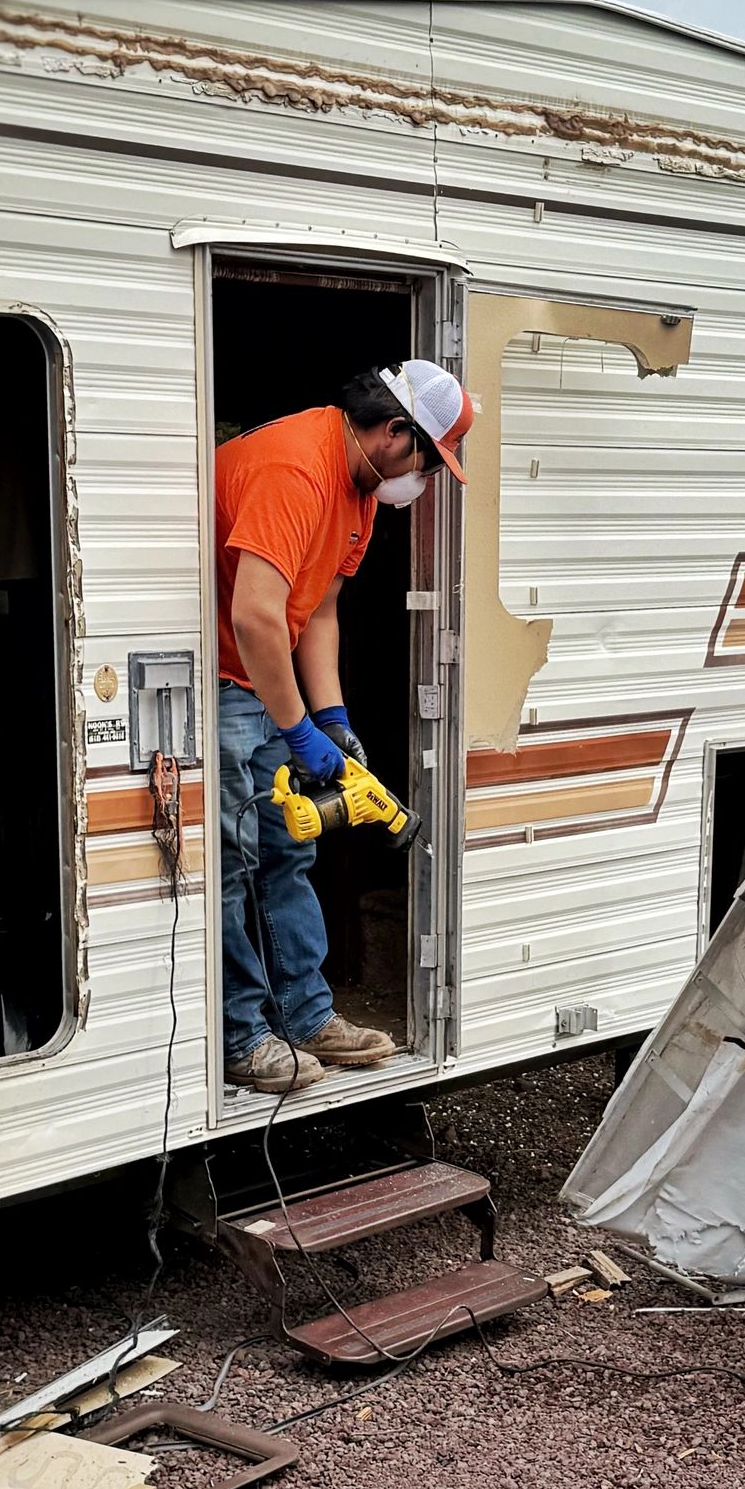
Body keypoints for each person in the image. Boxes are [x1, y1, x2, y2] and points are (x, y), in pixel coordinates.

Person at [215, 360, 472, 1094]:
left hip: (271, 685)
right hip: (229, 683)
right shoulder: (299, 468)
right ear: (395, 432)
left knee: (287, 851)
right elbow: (255, 615)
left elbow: (316, 611)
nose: (424, 477)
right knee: (234, 866)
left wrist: (332, 718)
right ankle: (242, 1037)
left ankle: (305, 1013)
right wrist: (299, 731)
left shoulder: (358, 492)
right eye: (429, 457)